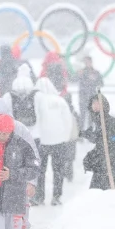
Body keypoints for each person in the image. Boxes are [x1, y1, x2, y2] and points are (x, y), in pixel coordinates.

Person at [34, 76, 79, 205]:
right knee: (58, 170)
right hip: (59, 141)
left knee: (40, 171)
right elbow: (68, 120)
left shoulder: (37, 102)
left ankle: (39, 196)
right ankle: (56, 196)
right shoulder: (60, 101)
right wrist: (64, 136)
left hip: (42, 141)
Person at [81, 92, 115, 191]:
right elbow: (97, 139)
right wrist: (85, 134)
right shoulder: (96, 121)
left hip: (108, 166)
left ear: (104, 105)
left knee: (103, 194)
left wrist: (111, 165)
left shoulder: (111, 122)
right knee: (95, 193)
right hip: (100, 165)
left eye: (98, 103)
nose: (95, 106)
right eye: (93, 103)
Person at [75, 55, 103, 130]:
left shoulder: (95, 72)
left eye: (88, 61)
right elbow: (73, 79)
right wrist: (77, 74)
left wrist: (95, 79)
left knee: (91, 117)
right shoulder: (81, 72)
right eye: (85, 62)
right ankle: (81, 135)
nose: (87, 63)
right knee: (82, 117)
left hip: (92, 98)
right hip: (83, 97)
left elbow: (101, 83)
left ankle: (90, 135)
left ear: (91, 62)